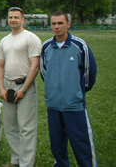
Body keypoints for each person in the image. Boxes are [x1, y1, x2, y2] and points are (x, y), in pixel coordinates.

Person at [40, 11, 97, 167]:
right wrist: (54, 91)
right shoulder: (46, 47)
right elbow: (44, 73)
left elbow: (89, 73)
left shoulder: (79, 45)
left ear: (68, 24)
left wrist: (75, 92)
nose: (57, 27)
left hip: (74, 105)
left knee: (81, 143)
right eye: (54, 23)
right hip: (53, 106)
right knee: (57, 145)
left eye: (60, 23)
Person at [0, 7, 41, 167]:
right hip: (7, 86)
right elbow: (0, 65)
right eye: (10, 17)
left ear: (23, 20)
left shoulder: (31, 38)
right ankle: (16, 160)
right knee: (10, 126)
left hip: (24, 87)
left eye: (16, 17)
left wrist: (23, 90)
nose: (13, 20)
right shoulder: (5, 40)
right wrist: (1, 88)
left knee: (26, 128)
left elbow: (35, 66)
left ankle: (26, 164)